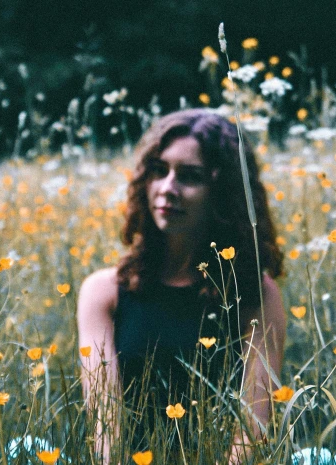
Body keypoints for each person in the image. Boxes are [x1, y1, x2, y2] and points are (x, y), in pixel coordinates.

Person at [77, 109, 285, 464]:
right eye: (159, 171)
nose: (167, 189)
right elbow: (105, 432)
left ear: (222, 193)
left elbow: (253, 431)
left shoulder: (253, 294)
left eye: (189, 177)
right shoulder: (103, 292)